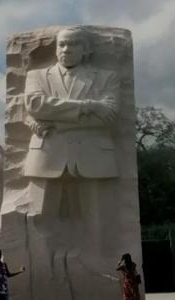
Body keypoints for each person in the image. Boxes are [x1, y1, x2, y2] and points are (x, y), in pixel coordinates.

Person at [24, 26, 120, 263]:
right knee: (40, 217)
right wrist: (89, 106)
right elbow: (35, 105)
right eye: (61, 44)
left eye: (73, 44)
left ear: (87, 49)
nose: (65, 49)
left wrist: (56, 121)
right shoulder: (37, 76)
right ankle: (40, 266)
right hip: (47, 155)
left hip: (92, 156)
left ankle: (98, 262)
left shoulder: (107, 77)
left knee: (95, 218)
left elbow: (109, 116)